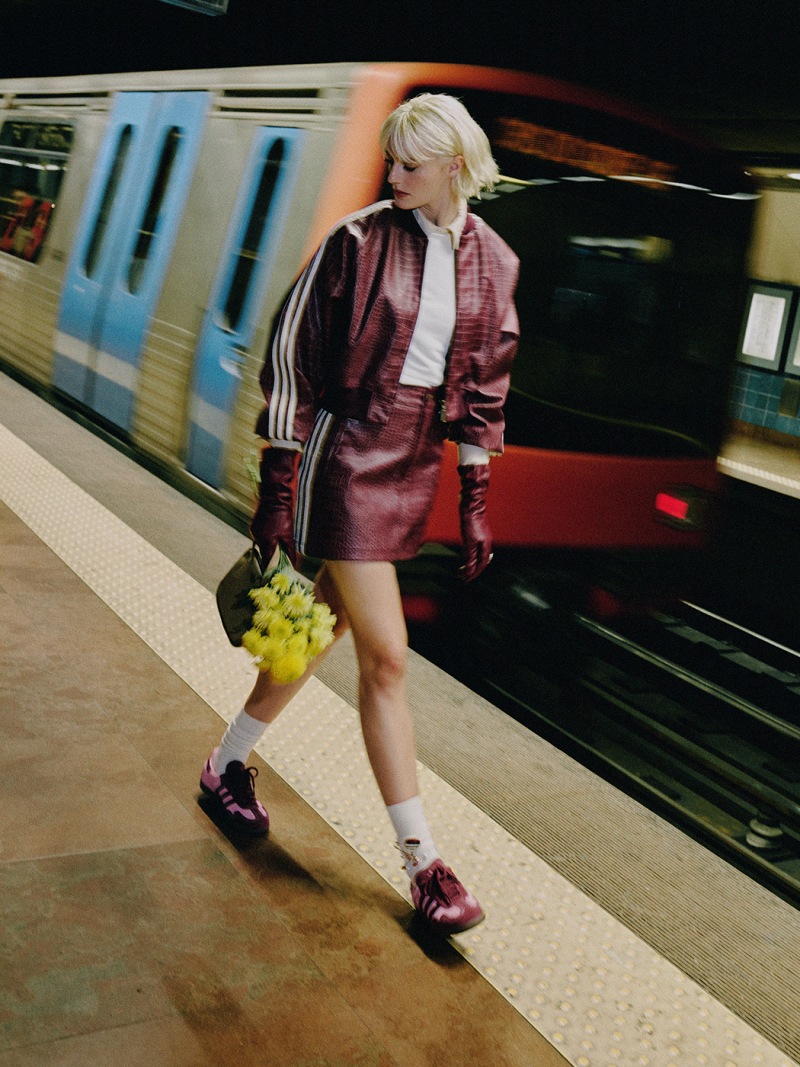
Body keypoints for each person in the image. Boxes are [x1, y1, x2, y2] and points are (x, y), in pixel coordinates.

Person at [201, 93, 519, 935]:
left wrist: (476, 495)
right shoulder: (356, 241)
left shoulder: (495, 260)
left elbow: (483, 390)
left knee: (315, 632)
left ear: (455, 164)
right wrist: (279, 479)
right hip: (345, 456)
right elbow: (291, 350)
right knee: (388, 658)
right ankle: (426, 865)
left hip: (413, 465)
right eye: (390, 159)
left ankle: (225, 763)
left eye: (411, 163)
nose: (393, 174)